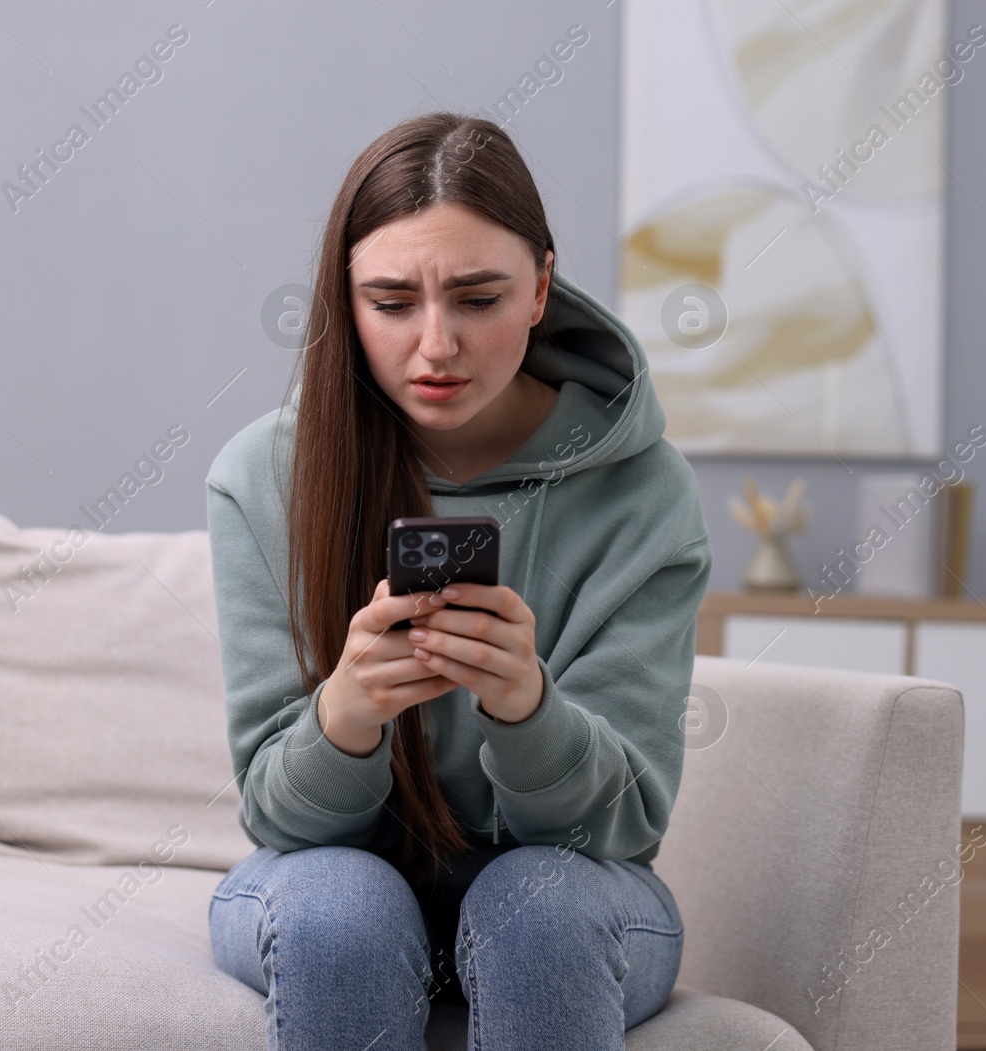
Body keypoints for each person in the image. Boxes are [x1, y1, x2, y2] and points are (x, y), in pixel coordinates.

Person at [203, 110, 713, 1051]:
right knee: (338, 908)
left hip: (565, 886)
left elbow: (624, 826)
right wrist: (348, 710)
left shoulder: (643, 492)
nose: (435, 345)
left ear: (541, 288)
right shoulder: (262, 479)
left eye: (477, 299)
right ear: (344, 302)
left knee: (539, 909)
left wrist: (528, 710)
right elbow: (274, 812)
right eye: (392, 303)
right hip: (331, 881)